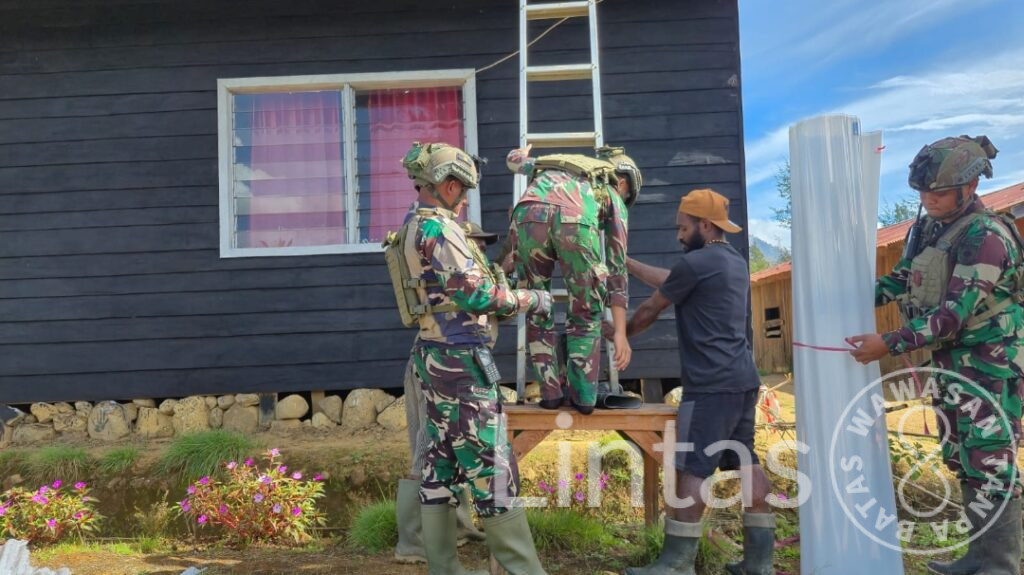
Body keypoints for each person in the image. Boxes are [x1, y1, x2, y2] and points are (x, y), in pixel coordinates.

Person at [848, 135, 1022, 575]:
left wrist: (887, 343)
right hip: (951, 365)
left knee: (992, 464)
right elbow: (901, 280)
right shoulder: (929, 229)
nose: (929, 200)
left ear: (970, 187)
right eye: (924, 192)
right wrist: (843, 296)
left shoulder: (986, 236)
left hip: (989, 365)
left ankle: (999, 567)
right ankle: (977, 559)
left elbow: (952, 316)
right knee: (963, 459)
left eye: (939, 192)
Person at [397, 141, 550, 575]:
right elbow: (478, 294)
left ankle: (445, 568)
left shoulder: (413, 224)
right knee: (491, 465)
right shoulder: (441, 231)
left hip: (433, 357)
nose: (464, 200)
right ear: (448, 186)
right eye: (462, 191)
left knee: (440, 462)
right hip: (461, 363)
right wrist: (530, 298)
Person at [617, 189, 775, 575]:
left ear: (705, 225)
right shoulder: (732, 261)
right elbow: (674, 280)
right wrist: (628, 264)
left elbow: (652, 307)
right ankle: (759, 563)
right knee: (747, 460)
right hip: (742, 380)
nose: (678, 235)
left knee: (693, 468)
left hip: (710, 386)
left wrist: (620, 333)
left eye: (683, 228)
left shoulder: (697, 263)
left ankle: (676, 563)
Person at [393, 221, 507, 564]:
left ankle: (458, 528)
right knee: (427, 448)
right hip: (435, 366)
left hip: (446, 364)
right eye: (477, 245)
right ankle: (412, 541)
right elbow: (484, 299)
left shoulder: (477, 275)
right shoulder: (454, 273)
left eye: (485, 246)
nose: (482, 250)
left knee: (449, 449)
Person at [506, 144, 638, 414]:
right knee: (586, 308)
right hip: (575, 220)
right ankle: (584, 398)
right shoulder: (611, 190)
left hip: (528, 215)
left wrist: (522, 153)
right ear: (623, 183)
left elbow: (513, 161)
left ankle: (550, 394)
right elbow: (616, 268)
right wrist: (620, 333)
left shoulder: (553, 166)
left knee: (537, 303)